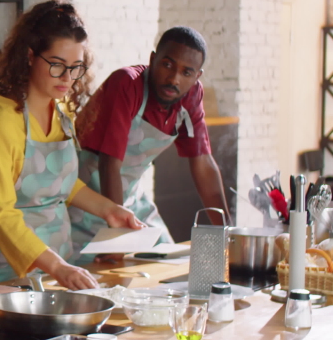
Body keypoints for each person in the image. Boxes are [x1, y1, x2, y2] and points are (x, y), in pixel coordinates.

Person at [0, 0, 145, 290]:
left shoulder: (61, 111)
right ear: (30, 56)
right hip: (1, 271)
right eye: (57, 65)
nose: (67, 78)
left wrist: (108, 210)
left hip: (56, 267)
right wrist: (56, 266)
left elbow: (63, 183)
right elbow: (0, 213)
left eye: (76, 67)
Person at [69, 26, 231, 249]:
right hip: (85, 198)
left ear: (196, 77)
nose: (174, 79)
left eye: (186, 72)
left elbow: (202, 162)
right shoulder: (126, 83)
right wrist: (118, 238)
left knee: (165, 255)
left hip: (130, 198)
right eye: (167, 65)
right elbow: (109, 164)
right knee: (94, 274)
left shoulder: (191, 96)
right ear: (153, 59)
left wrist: (227, 233)